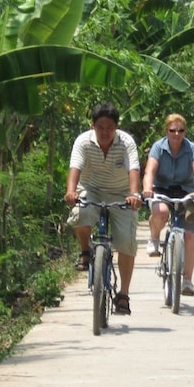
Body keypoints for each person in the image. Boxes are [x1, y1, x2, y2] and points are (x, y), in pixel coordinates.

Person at [63, 103, 143, 315]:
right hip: (91, 189)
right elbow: (75, 168)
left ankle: (123, 294)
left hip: (121, 193)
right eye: (100, 127)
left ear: (116, 127)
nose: (105, 132)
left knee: (126, 241)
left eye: (109, 127)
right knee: (80, 214)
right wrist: (71, 192)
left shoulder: (126, 142)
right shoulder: (83, 141)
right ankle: (85, 251)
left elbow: (133, 169)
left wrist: (134, 195)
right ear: (93, 126)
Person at [142, 114, 194, 297]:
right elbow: (150, 170)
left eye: (180, 130)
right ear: (166, 131)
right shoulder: (158, 147)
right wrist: (147, 189)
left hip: (186, 192)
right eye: (172, 130)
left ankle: (187, 280)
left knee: (189, 236)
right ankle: (155, 237)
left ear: (185, 132)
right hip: (162, 190)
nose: (176, 134)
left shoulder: (191, 148)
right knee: (162, 211)